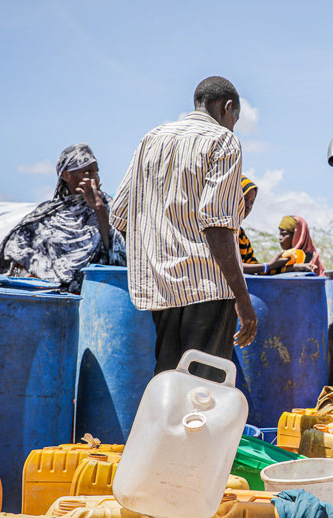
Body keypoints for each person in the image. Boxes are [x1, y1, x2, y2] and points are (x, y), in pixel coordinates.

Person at [110, 76, 257, 377]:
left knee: (170, 382)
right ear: (226, 108)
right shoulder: (222, 140)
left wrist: (157, 256)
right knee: (202, 393)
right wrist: (243, 300)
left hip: (161, 289)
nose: (232, 126)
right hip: (209, 289)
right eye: (234, 119)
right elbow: (217, 225)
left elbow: (120, 214)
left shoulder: (151, 139)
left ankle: (162, 427)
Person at [0, 143, 126, 293]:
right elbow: (16, 250)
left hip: (96, 296)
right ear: (66, 175)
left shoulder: (112, 209)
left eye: (96, 172)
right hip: (52, 300)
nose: (94, 179)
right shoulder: (47, 214)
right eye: (87, 172)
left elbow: (120, 255)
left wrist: (99, 208)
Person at [237, 176, 314, 275]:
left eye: (252, 202)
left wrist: (293, 267)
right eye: (245, 199)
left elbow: (257, 271)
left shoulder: (242, 236)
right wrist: (269, 266)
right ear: (233, 198)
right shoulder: (223, 232)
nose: (248, 205)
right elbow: (232, 266)